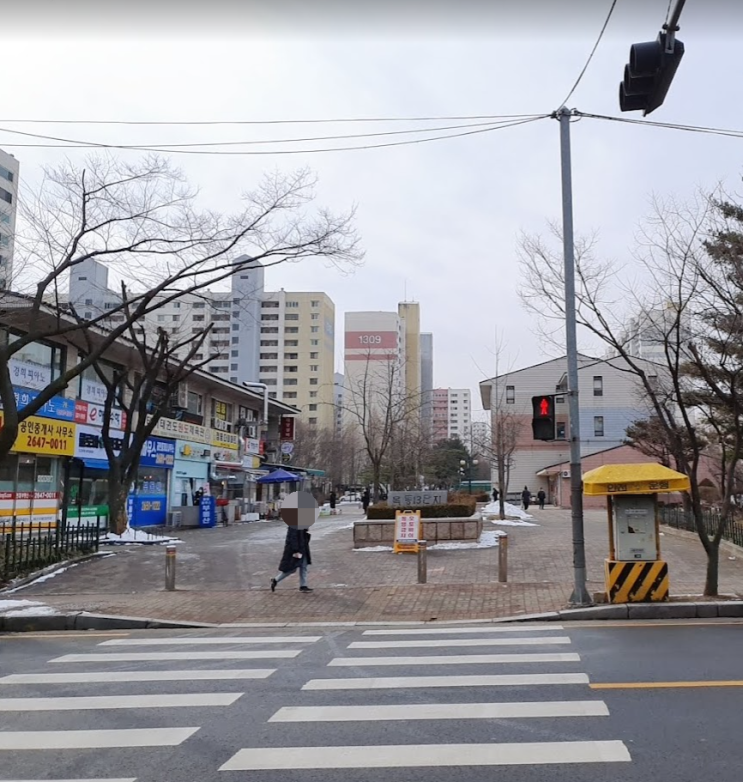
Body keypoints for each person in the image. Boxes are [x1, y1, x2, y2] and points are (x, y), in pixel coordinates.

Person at [271, 525, 313, 593]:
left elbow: (302, 536)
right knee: (291, 569)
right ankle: (276, 580)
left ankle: (303, 586)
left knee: (304, 567)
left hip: (303, 548)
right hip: (295, 550)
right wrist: (296, 550)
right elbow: (293, 538)